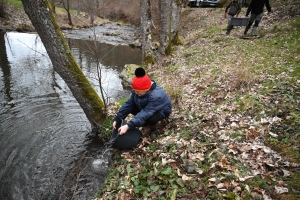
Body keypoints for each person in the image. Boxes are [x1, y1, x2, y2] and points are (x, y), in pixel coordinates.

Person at [112, 67, 172, 139]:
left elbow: (146, 112)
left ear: (146, 89)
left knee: (151, 119)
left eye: (138, 91)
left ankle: (153, 130)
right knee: (132, 107)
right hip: (147, 107)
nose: (136, 93)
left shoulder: (156, 96)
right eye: (135, 91)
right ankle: (144, 122)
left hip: (163, 110)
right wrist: (117, 118)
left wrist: (128, 126)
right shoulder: (137, 91)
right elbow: (129, 104)